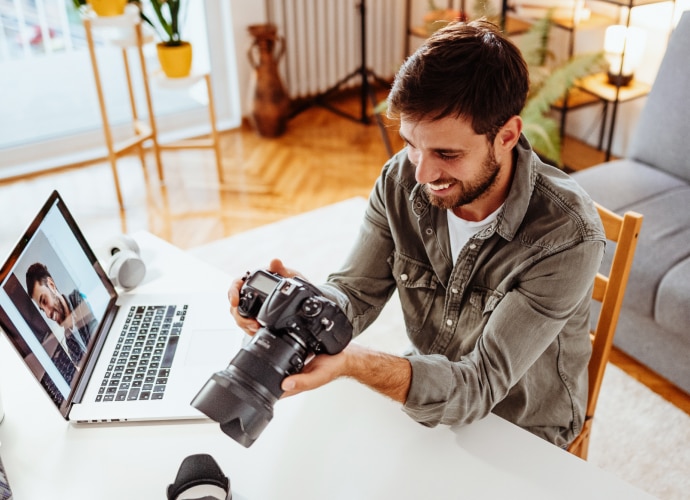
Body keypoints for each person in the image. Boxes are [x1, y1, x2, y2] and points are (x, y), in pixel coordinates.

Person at [229, 19, 605, 448]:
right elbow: (354, 292)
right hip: (427, 398)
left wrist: (355, 364)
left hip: (523, 429)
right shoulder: (400, 180)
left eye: (447, 153)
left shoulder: (567, 236)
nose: (422, 174)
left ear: (507, 136)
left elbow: (479, 386)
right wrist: (303, 306)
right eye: (411, 143)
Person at [25, 262, 96, 366]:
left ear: (52, 286)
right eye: (42, 310)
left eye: (44, 301)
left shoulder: (81, 300)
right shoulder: (69, 342)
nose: (48, 315)